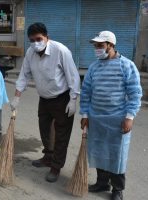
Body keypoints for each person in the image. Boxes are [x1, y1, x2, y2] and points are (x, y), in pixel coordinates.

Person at [10, 22, 80, 182]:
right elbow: (23, 75)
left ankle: (56, 167)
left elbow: (73, 76)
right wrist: (16, 97)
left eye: (39, 39)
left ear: (47, 37)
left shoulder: (60, 50)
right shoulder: (30, 52)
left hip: (62, 98)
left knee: (61, 135)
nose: (35, 43)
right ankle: (48, 157)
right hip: (44, 98)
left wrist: (73, 99)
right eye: (32, 40)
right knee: (44, 129)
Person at [80, 31, 142, 200]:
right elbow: (86, 92)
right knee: (99, 151)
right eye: (95, 46)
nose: (97, 49)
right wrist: (85, 114)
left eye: (100, 45)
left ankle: (117, 189)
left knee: (117, 154)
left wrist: (129, 117)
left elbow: (135, 93)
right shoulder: (94, 67)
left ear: (111, 45)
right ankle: (102, 183)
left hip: (118, 119)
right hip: (97, 118)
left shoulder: (126, 65)